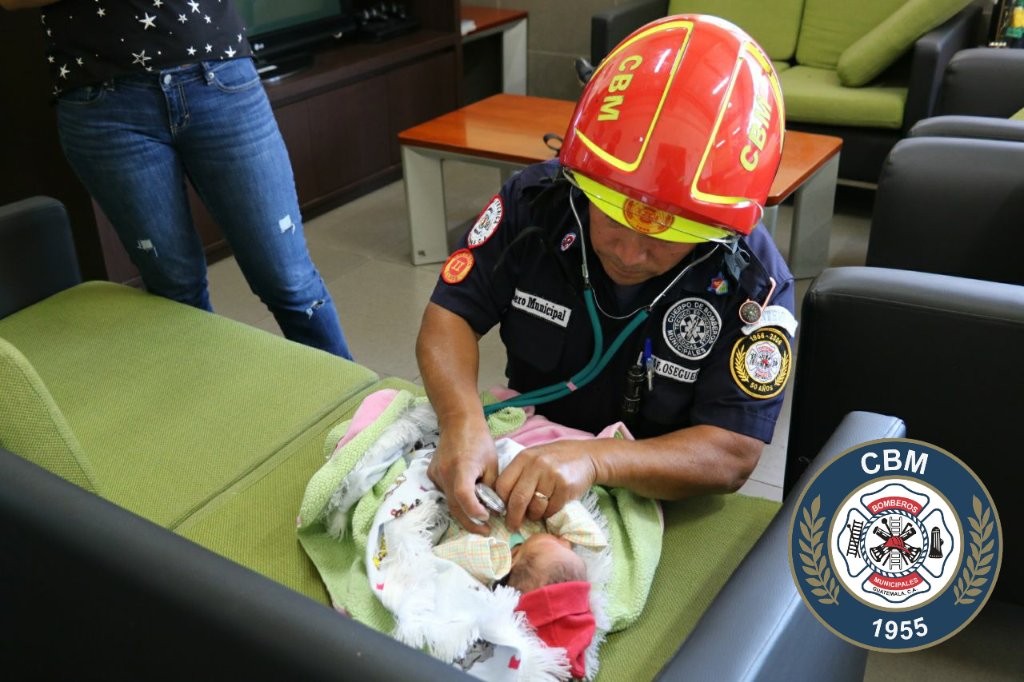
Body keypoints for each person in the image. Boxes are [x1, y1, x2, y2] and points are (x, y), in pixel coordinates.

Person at [416, 15, 796, 534]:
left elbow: (732, 452)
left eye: (666, 236)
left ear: (717, 227)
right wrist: (460, 418)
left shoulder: (755, 285)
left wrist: (597, 460)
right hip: (524, 447)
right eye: (611, 213)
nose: (631, 253)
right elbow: (450, 314)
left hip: (654, 495)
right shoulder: (537, 203)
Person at [0, 0, 352, 358]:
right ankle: (210, 406)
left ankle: (361, 411)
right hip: (103, 102)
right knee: (175, 291)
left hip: (219, 76)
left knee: (290, 282)